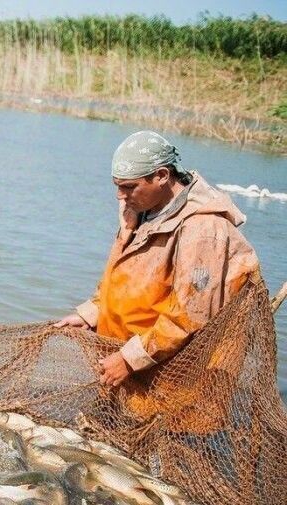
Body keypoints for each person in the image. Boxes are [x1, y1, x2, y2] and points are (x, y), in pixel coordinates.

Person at [55, 130, 260, 415]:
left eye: (128, 186)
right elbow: (127, 274)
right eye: (117, 186)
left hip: (171, 377)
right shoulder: (141, 207)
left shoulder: (203, 230)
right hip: (129, 366)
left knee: (165, 442)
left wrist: (128, 359)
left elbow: (190, 316)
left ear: (162, 176)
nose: (120, 195)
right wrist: (92, 312)